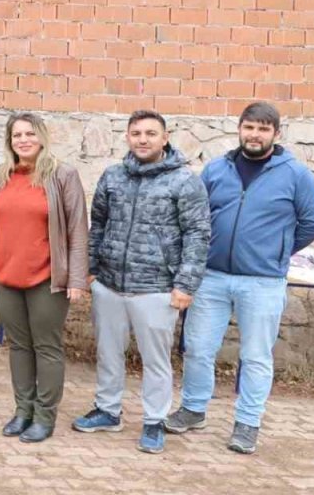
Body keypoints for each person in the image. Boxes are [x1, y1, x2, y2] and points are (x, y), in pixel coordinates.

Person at [166, 102, 314, 455]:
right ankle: (193, 409)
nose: (255, 135)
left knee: (255, 356)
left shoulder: (296, 175)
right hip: (212, 276)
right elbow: (196, 216)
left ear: (276, 134)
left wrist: (277, 251)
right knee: (198, 350)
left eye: (263, 129)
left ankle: (247, 423)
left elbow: (313, 222)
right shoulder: (217, 169)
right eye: (249, 127)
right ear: (239, 129)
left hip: (263, 282)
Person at [72, 110, 210, 454]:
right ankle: (108, 410)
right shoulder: (112, 176)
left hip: (157, 287)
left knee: (156, 359)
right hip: (110, 284)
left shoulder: (183, 181)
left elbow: (198, 234)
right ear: (127, 138)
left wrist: (186, 285)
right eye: (136, 133)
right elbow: (98, 224)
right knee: (108, 352)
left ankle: (153, 420)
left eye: (151, 133)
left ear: (165, 137)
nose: (143, 139)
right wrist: (90, 268)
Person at [0, 113, 88, 443]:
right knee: (19, 347)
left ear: (41, 137)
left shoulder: (62, 175)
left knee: (46, 347)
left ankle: (44, 415)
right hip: (6, 276)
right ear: (9, 141)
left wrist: (77, 279)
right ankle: (23, 410)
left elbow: (77, 229)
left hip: (47, 278)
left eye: (29, 134)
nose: (23, 140)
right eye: (16, 135)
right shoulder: (1, 176)